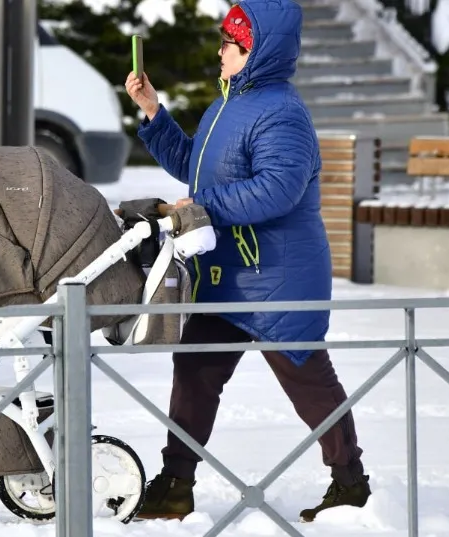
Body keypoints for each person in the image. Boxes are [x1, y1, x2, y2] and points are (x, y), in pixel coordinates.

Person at [124, 0, 370, 523]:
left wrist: (205, 207)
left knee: (309, 384)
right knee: (193, 371)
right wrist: (153, 112)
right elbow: (197, 168)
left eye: (230, 46)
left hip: (278, 279)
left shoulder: (282, 113)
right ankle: (175, 484)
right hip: (229, 275)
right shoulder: (229, 105)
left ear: (255, 52)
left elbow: (277, 190)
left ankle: (351, 486)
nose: (220, 52)